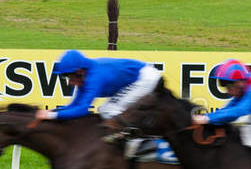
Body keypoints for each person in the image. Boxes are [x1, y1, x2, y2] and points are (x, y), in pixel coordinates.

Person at [34, 50, 162, 134]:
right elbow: (74, 105)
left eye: (70, 76)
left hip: (146, 78)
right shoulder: (85, 74)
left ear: (80, 71)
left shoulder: (95, 77)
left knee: (108, 109)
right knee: (105, 109)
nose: (70, 82)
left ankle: (136, 138)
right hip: (140, 76)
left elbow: (82, 110)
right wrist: (53, 112)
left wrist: (51, 116)